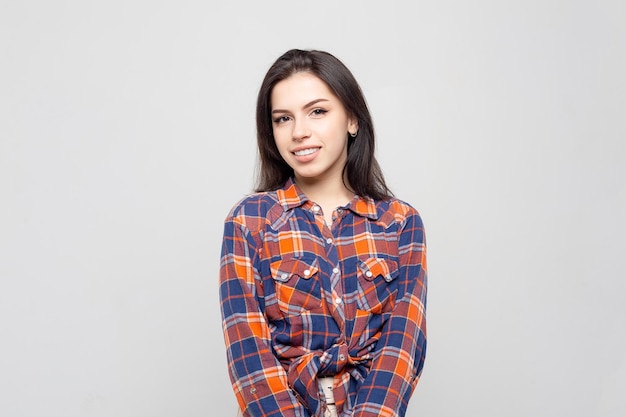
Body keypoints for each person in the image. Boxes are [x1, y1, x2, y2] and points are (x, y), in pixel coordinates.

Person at [219, 49, 427, 417]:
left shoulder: (400, 223)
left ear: (351, 119)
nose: (299, 132)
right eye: (283, 118)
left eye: (317, 111)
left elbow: (403, 344)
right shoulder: (249, 221)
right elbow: (246, 347)